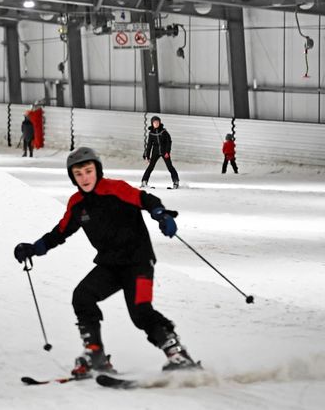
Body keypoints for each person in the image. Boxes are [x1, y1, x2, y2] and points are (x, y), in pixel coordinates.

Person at [14, 147, 197, 378]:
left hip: (138, 261)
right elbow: (60, 233)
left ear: (97, 170)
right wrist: (33, 248)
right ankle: (95, 354)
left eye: (88, 171)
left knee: (140, 311)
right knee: (82, 296)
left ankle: (178, 354)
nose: (84, 178)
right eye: (78, 174)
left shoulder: (115, 189)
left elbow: (145, 199)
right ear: (73, 177)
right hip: (110, 265)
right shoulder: (77, 203)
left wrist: (161, 214)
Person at [141, 115, 179, 189]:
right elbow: (149, 145)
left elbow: (169, 142)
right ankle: (144, 181)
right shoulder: (151, 133)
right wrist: (147, 156)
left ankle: (176, 181)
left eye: (157, 122)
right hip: (155, 152)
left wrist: (167, 152)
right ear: (152, 123)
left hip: (164, 151)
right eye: (155, 122)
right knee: (150, 167)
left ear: (160, 123)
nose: (156, 124)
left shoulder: (164, 132)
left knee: (169, 167)